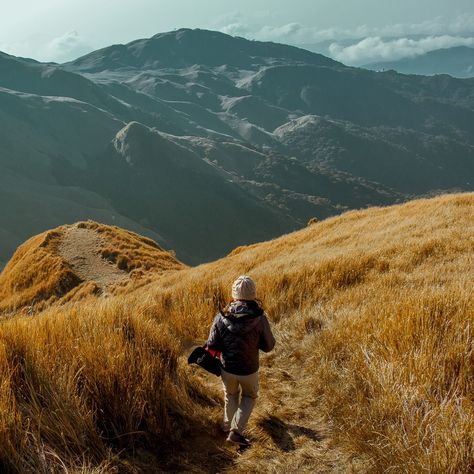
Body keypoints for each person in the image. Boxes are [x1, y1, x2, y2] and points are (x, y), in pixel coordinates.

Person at [207, 275, 276, 446]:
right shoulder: (260, 318)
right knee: (249, 396)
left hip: (227, 368)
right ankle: (236, 432)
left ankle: (226, 427)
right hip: (249, 369)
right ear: (253, 294)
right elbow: (269, 346)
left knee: (230, 395)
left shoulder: (221, 316)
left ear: (234, 294)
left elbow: (212, 344)